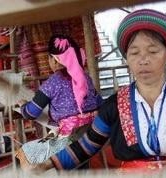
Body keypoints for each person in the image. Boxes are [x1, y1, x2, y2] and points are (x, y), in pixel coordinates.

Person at [36, 9, 166, 174]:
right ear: (127, 59)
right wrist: (44, 165)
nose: (143, 59)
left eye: (153, 51)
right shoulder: (114, 105)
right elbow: (87, 145)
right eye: (134, 52)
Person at [15, 34, 102, 170]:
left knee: (27, 150)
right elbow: (99, 103)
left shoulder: (53, 82)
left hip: (70, 139)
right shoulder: (86, 78)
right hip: (93, 134)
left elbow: (31, 113)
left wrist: (22, 105)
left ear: (54, 60)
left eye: (49, 58)